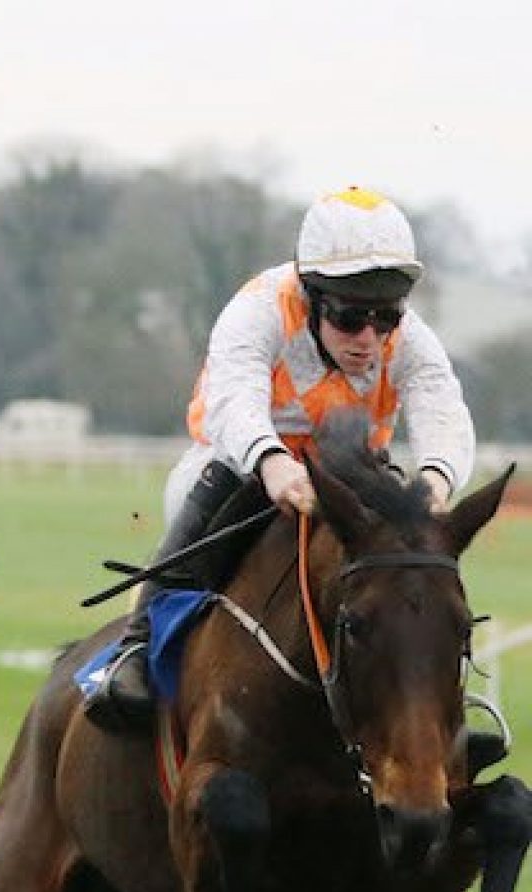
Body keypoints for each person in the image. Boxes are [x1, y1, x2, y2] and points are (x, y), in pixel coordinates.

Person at [84, 187, 476, 731]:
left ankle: (445, 698)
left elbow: (442, 406)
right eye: (349, 318)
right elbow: (234, 398)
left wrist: (436, 476)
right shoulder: (257, 310)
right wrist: (271, 461)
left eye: (384, 319)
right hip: (241, 463)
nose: (369, 338)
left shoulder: (409, 337)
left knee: (414, 551)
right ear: (312, 296)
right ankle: (137, 647)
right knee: (195, 491)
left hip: (352, 468)